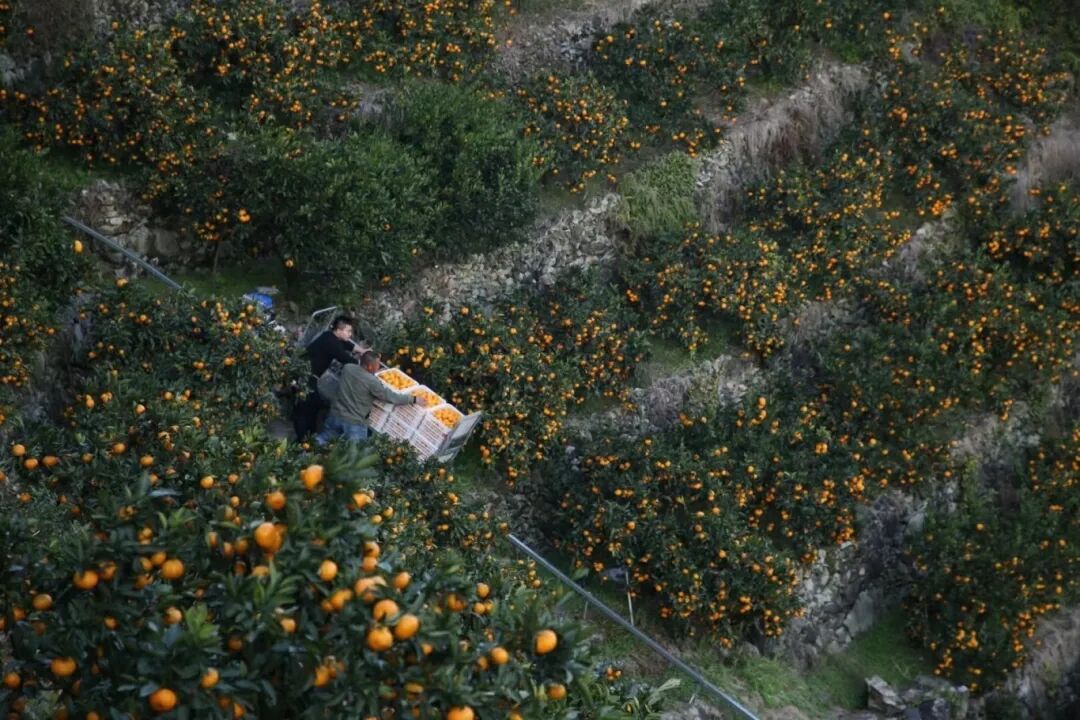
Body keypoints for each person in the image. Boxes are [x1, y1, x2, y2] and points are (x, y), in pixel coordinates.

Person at [316, 351, 418, 446]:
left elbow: (359, 379)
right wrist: (414, 399)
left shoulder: (348, 368)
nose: (378, 367)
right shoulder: (372, 381)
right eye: (377, 365)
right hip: (354, 422)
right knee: (356, 452)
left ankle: (308, 452)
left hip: (335, 414)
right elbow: (390, 396)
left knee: (323, 439)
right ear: (369, 366)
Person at [293, 315, 364, 440]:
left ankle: (309, 437)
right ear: (339, 330)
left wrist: (361, 350)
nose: (350, 334)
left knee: (314, 405)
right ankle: (302, 440)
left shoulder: (329, 335)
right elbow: (345, 358)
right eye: (348, 331)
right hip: (305, 375)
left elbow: (346, 344)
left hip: (306, 374)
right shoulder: (331, 343)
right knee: (306, 408)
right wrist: (366, 364)